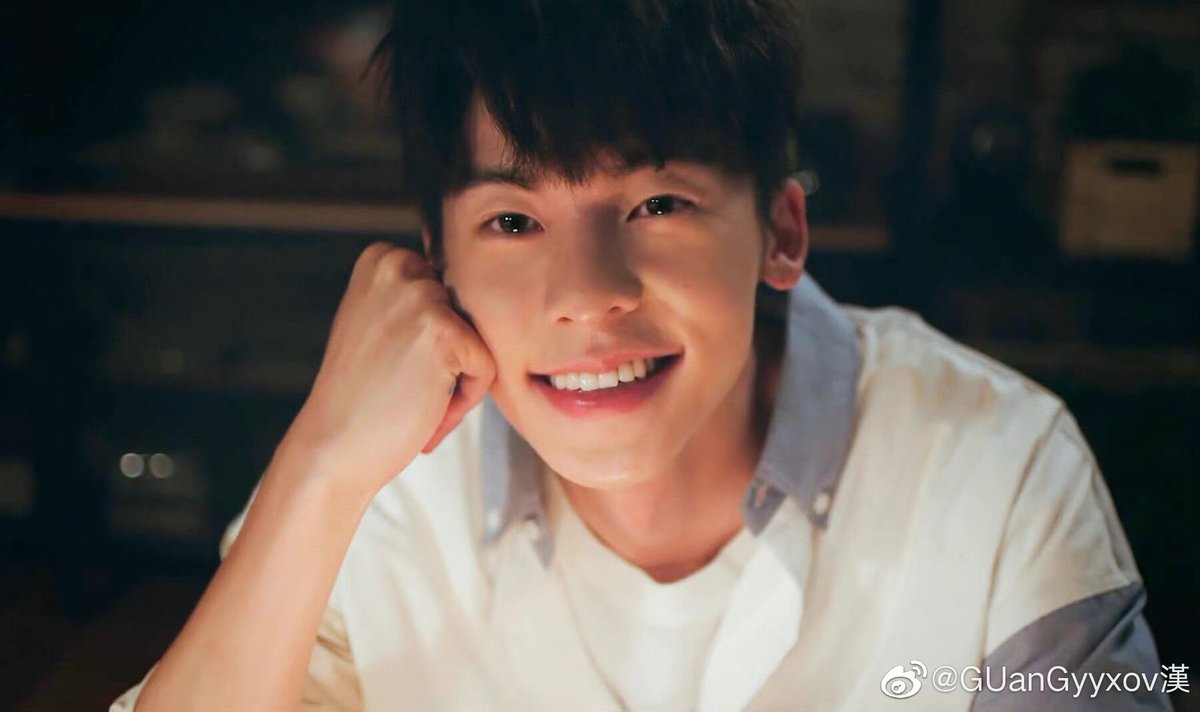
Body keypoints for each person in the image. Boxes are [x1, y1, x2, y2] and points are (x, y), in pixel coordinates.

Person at [112, 0, 1170, 710]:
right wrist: (317, 467)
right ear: (437, 265)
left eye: (658, 204)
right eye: (513, 222)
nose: (586, 294)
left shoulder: (997, 461)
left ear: (780, 231)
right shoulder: (369, 490)